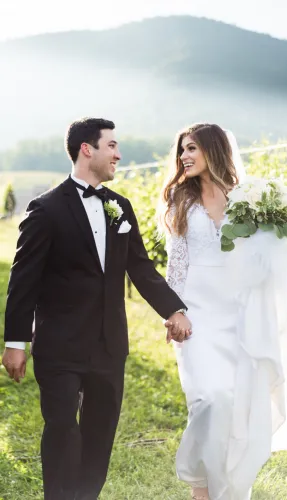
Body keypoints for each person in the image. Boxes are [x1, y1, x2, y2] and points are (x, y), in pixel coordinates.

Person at [2, 117, 191, 500]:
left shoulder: (119, 207)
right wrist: (16, 342)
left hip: (109, 344)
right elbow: (23, 281)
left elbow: (140, 266)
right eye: (112, 146)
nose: (119, 155)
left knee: (99, 434)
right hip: (60, 345)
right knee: (62, 430)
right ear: (86, 149)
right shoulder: (46, 209)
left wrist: (174, 309)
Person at [159, 123, 287, 500]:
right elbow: (176, 266)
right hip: (196, 315)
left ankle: (232, 490)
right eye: (182, 150)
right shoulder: (180, 202)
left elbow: (269, 259)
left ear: (214, 151)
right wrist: (172, 311)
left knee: (238, 408)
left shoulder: (248, 199)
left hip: (240, 314)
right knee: (208, 399)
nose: (184, 156)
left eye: (192, 149)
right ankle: (201, 489)